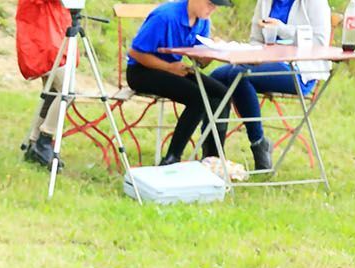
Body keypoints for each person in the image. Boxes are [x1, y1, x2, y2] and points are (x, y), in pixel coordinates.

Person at [207, 0, 333, 171]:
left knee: (240, 75)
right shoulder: (265, 1)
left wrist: (280, 29)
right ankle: (212, 154)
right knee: (216, 78)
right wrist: (252, 56)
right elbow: (255, 40)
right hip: (262, 63)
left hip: (299, 68)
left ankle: (259, 143)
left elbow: (319, 42)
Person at [125, 0, 234, 166]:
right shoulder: (165, 16)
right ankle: (172, 157)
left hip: (173, 68)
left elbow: (199, 60)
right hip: (142, 71)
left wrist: (212, 51)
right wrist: (168, 67)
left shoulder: (202, 20)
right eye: (210, 4)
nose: (213, 9)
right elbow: (135, 52)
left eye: (216, 6)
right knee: (198, 98)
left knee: (222, 93)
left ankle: (213, 156)